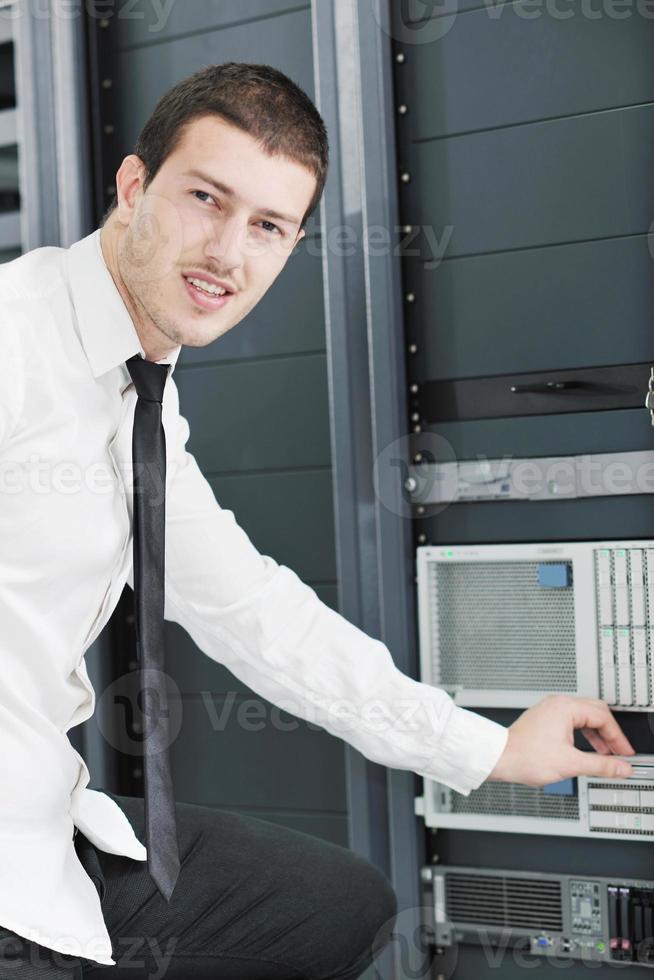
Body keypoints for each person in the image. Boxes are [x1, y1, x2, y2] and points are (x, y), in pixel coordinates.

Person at [0, 62, 635, 979]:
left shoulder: (138, 398)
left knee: (333, 904)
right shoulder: (16, 344)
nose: (227, 252)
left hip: (42, 826)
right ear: (134, 186)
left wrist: (488, 749)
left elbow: (254, 612)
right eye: (204, 199)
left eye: (266, 226)